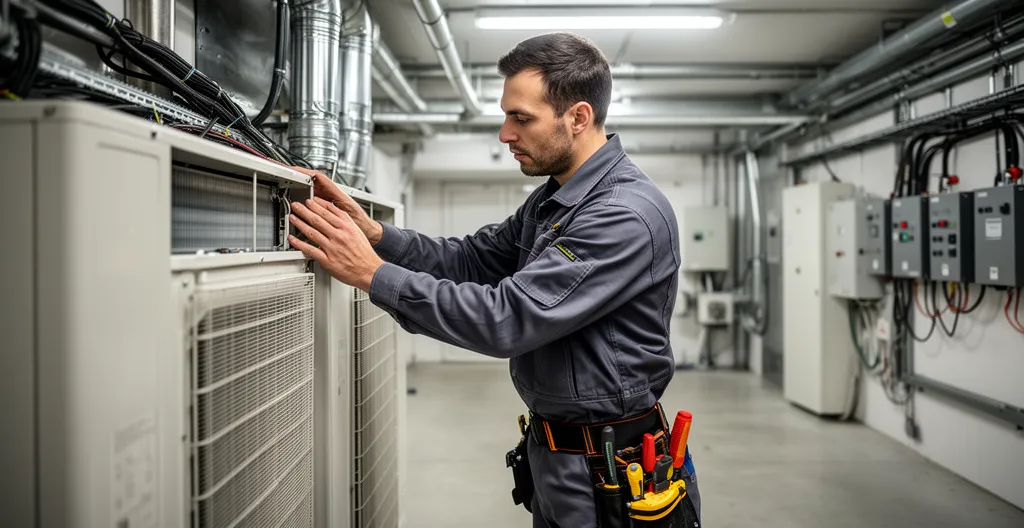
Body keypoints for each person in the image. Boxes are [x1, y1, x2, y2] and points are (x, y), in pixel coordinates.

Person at [288, 32, 700, 528]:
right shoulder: (554, 200)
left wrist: (370, 273)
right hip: (559, 455)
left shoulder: (623, 215)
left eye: (521, 118)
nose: (505, 134)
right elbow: (473, 260)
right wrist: (376, 236)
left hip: (607, 469)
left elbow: (507, 318)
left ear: (579, 117)